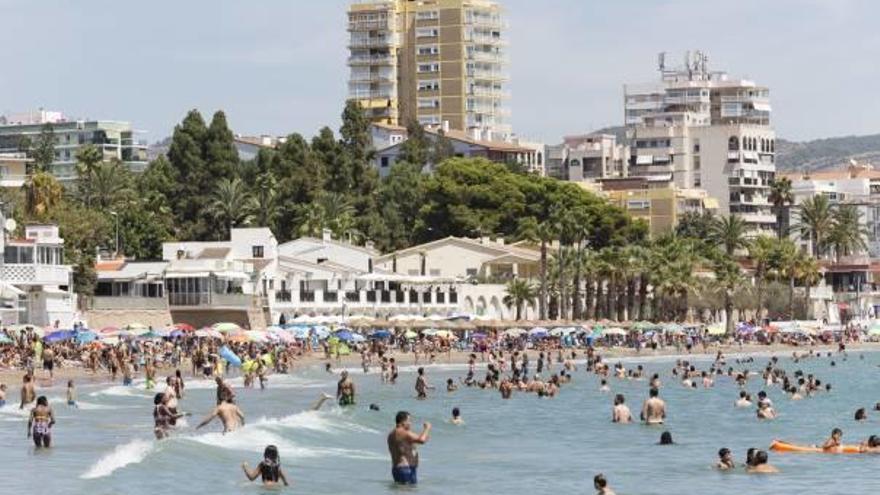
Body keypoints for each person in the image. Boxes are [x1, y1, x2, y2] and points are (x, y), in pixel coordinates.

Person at [387, 411, 431, 485]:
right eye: (409, 421)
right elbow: (422, 440)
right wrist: (427, 428)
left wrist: (425, 435)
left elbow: (419, 439)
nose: (410, 423)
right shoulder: (403, 432)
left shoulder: (391, 434)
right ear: (403, 422)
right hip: (406, 469)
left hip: (397, 469)